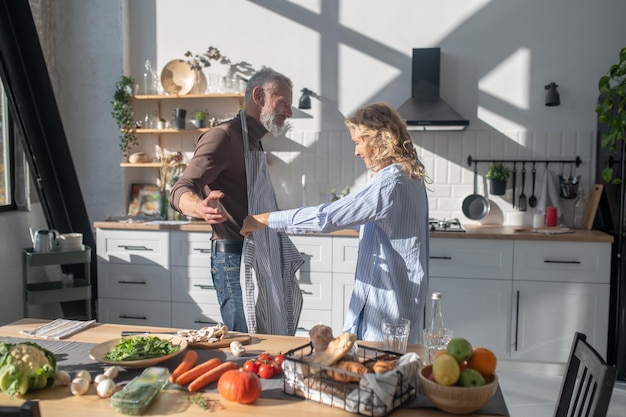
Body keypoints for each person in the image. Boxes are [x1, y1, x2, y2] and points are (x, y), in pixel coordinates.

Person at [241, 102, 430, 342]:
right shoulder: (409, 177)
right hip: (396, 306)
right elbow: (364, 220)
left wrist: (266, 219)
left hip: (385, 312)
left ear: (378, 139)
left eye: (357, 142)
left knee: (377, 373)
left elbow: (327, 217)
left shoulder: (390, 184)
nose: (357, 152)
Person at [170, 68, 304, 335]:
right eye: (283, 103)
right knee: (246, 342)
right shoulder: (223, 136)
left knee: (265, 340)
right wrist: (199, 206)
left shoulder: (254, 141)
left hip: (258, 253)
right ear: (258, 95)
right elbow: (180, 188)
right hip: (233, 258)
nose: (288, 113)